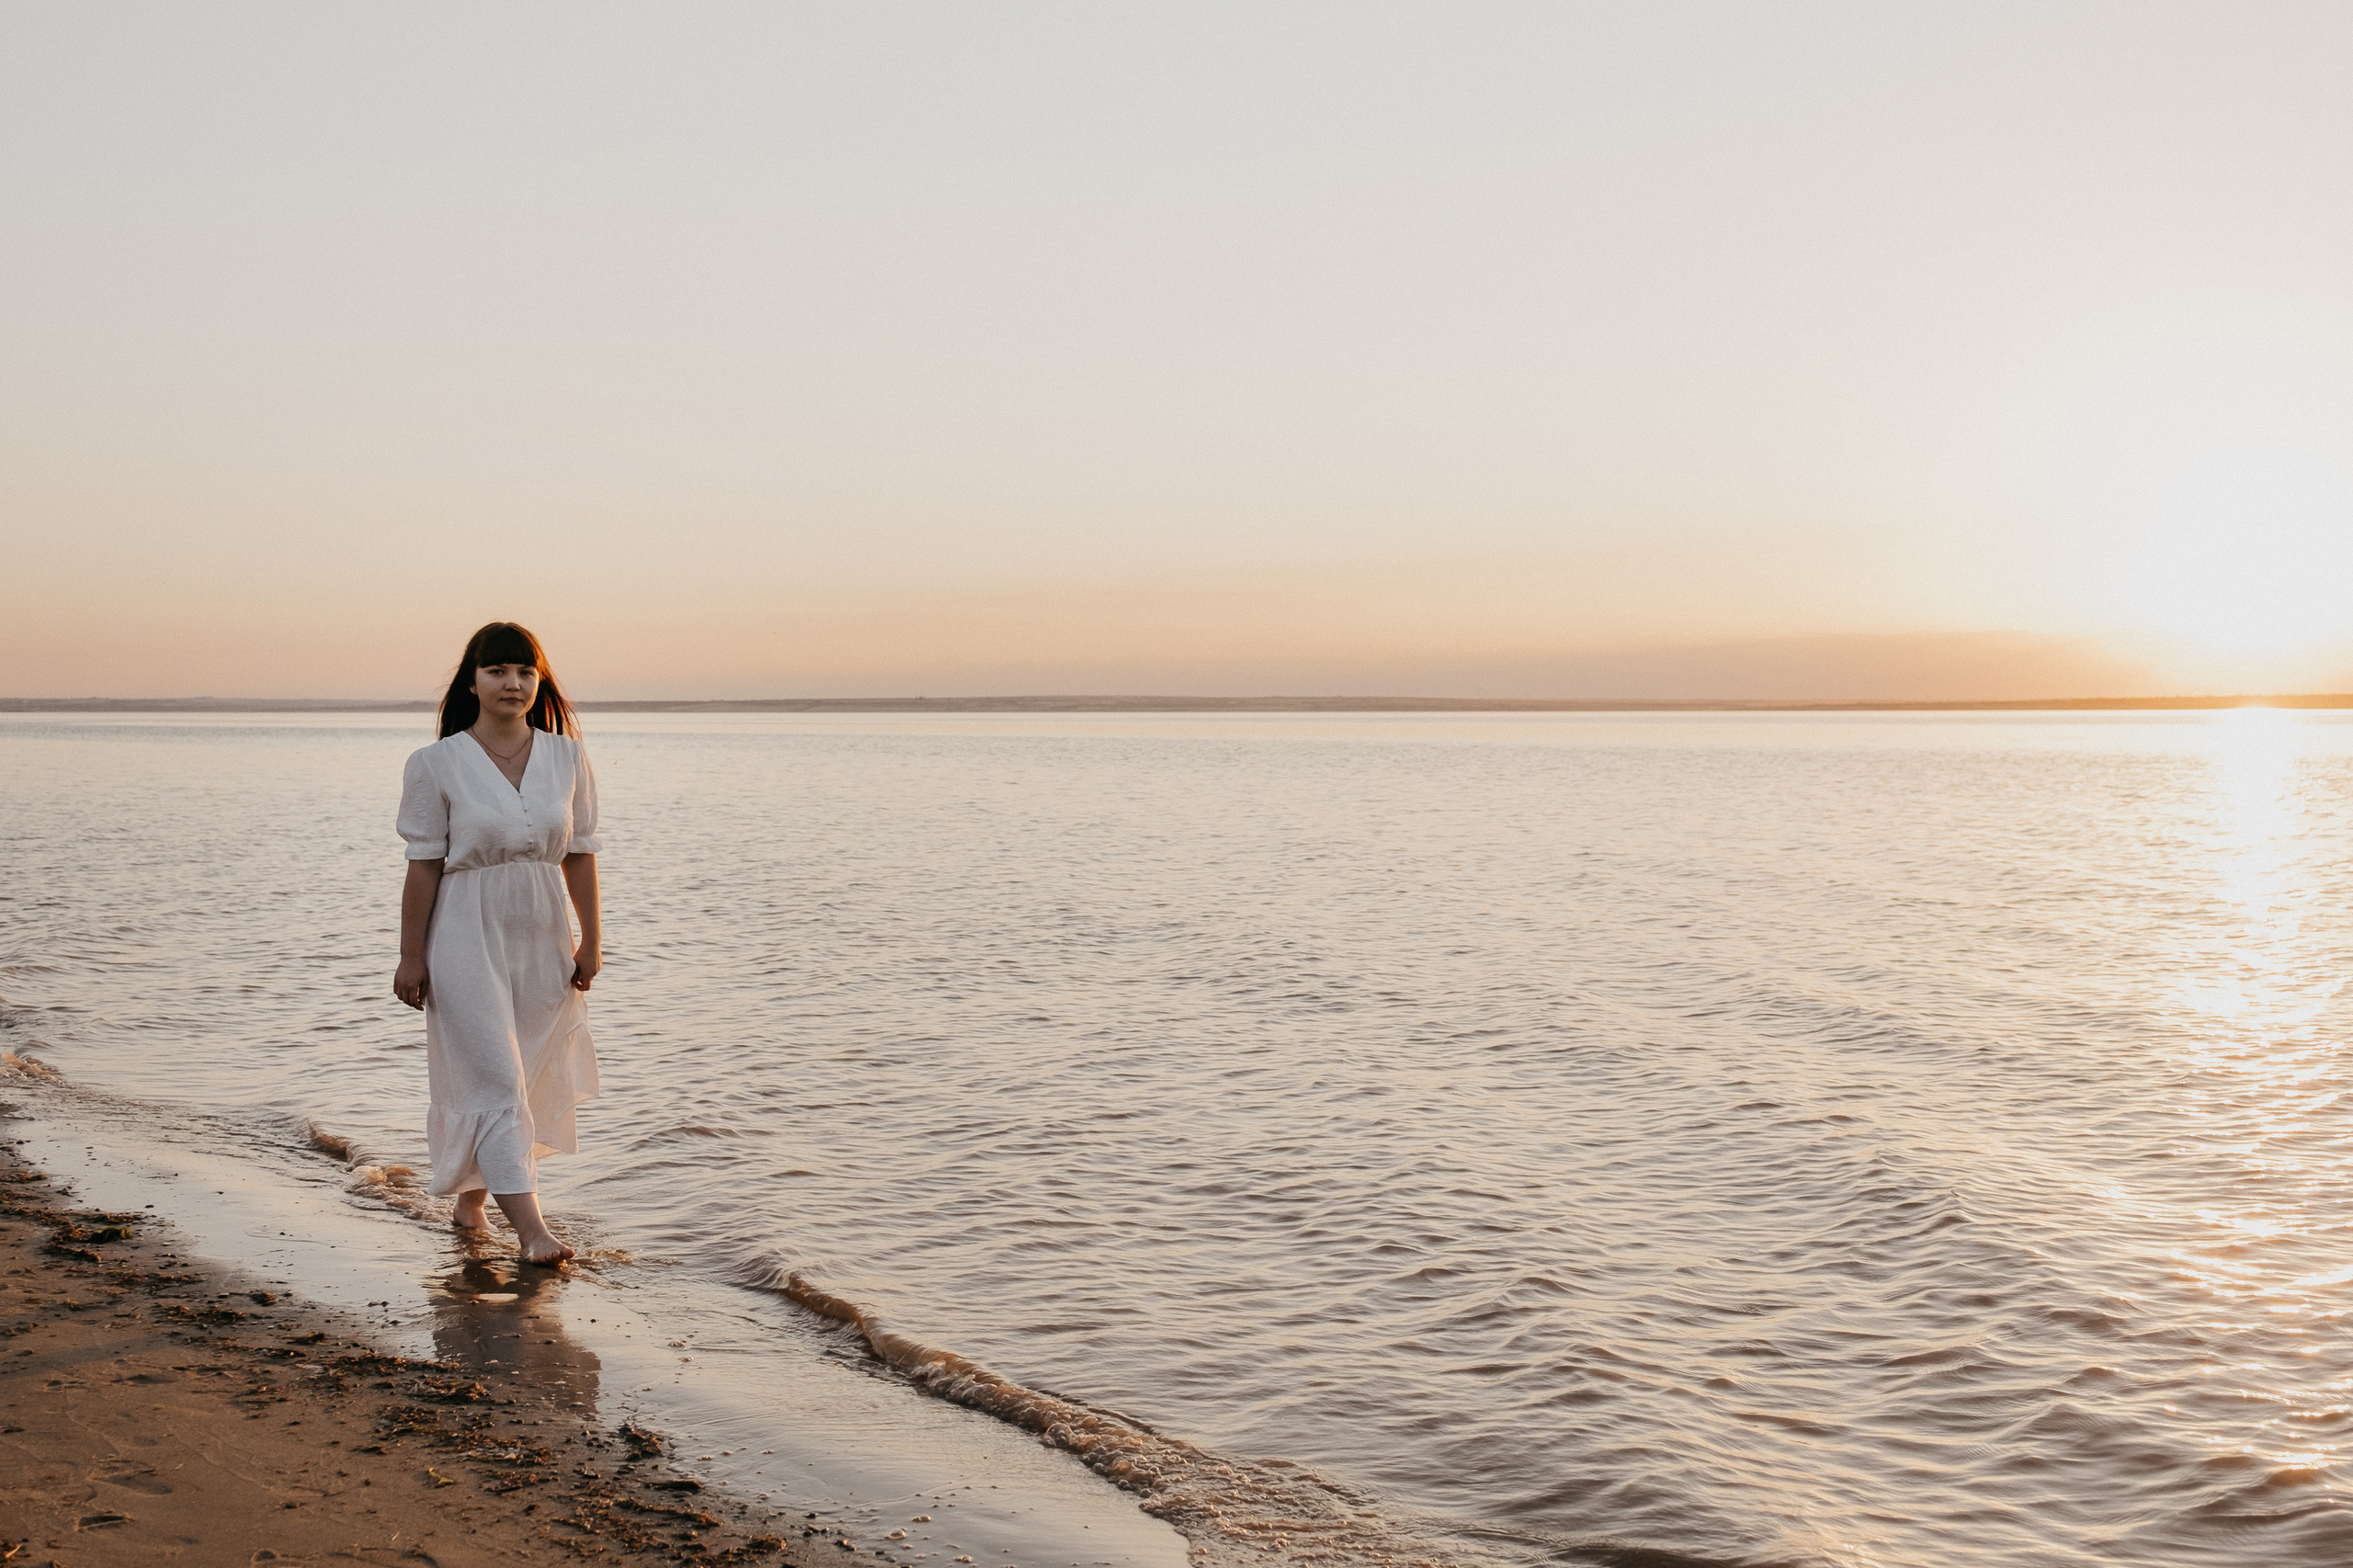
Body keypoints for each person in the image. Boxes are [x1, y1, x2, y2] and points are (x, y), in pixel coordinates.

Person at [391, 622, 602, 1265]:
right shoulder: (436, 763)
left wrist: (592, 937)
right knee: (496, 1079)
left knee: (531, 1071)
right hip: (463, 931)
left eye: (526, 672)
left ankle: (472, 1196)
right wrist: (410, 954)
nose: (513, 684)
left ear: (540, 683)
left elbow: (581, 854)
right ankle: (533, 1232)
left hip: (541, 932)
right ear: (473, 681)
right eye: (498, 671)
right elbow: (424, 864)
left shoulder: (567, 757)